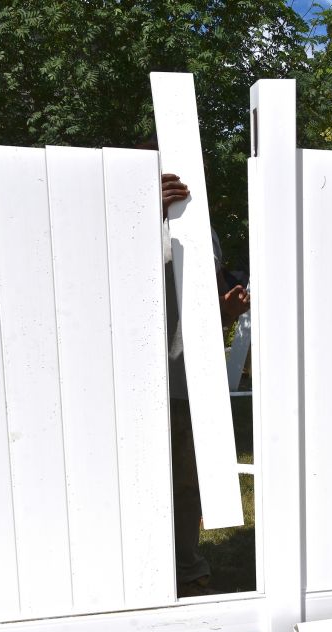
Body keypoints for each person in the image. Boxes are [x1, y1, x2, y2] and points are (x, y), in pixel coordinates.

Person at [139, 139, 249, 596]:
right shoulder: (126, 220)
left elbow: (210, 304)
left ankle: (185, 565)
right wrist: (145, 210)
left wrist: (230, 307)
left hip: (189, 378)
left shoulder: (206, 231)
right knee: (138, 479)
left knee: (186, 481)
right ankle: (137, 568)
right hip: (136, 379)